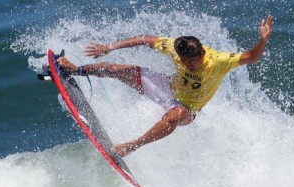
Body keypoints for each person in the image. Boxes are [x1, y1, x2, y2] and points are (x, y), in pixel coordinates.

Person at [57, 15, 274, 157]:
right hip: (167, 88)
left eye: (193, 62)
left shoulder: (218, 60)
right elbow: (144, 39)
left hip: (188, 109)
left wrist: (263, 39)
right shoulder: (174, 46)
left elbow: (252, 57)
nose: (189, 66)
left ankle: (132, 146)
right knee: (117, 70)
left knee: (175, 115)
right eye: (185, 61)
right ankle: (76, 70)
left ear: (202, 54)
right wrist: (110, 46)